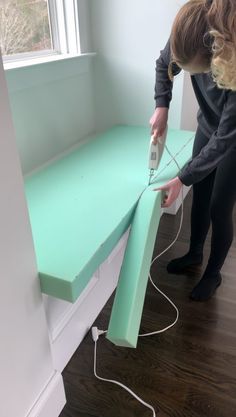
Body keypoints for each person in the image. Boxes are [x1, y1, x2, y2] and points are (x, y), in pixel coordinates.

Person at [150, 0, 236, 301]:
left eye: (195, 71)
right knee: (200, 194)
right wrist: (162, 106)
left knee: (218, 207)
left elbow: (225, 138)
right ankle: (195, 253)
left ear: (215, 59)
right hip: (210, 125)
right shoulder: (187, 34)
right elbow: (164, 64)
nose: (188, 74)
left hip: (232, 137)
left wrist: (181, 177)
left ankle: (213, 274)